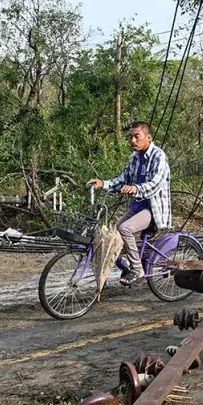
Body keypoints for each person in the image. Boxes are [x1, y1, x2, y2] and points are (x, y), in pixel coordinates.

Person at [88, 122, 171, 286]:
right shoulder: (135, 158)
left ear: (148, 138)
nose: (133, 140)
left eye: (136, 136)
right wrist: (102, 184)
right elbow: (122, 180)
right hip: (137, 207)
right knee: (114, 235)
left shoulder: (158, 156)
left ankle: (138, 271)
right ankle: (124, 266)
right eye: (130, 137)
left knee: (125, 228)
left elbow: (155, 184)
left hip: (154, 210)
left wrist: (135, 189)